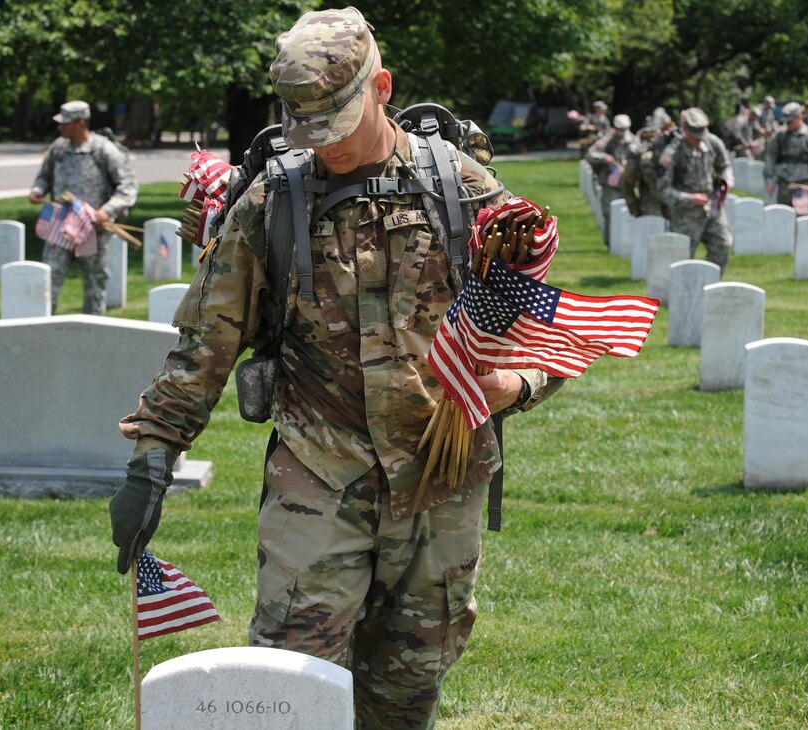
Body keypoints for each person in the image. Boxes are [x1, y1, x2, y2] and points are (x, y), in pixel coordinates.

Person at [108, 7, 563, 728]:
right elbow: (206, 339)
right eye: (306, 124)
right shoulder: (273, 199)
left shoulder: (468, 190)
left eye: (338, 121)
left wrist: (516, 384)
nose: (323, 142)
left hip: (439, 480)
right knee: (291, 680)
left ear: (381, 87)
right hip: (319, 476)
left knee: (406, 686)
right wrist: (153, 458)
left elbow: (543, 328)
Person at [29, 100, 138, 315]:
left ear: (80, 123)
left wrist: (107, 211)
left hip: (93, 231)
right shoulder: (58, 148)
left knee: (95, 285)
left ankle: (93, 333)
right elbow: (44, 176)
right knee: (49, 279)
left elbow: (128, 186)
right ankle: (42, 329)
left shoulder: (103, 150)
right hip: (60, 228)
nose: (59, 127)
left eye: (65, 123)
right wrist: (38, 189)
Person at [656, 107, 733, 272]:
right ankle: (682, 293)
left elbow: (724, 166)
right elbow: (662, 189)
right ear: (684, 128)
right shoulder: (672, 152)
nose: (698, 137)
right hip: (685, 213)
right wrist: (688, 198)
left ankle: (707, 285)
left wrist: (725, 182)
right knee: (682, 259)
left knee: (723, 245)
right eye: (694, 133)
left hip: (712, 207)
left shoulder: (712, 142)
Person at [764, 102, 808, 215]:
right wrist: (769, 179)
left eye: (790, 121)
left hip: (804, 182)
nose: (787, 124)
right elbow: (771, 157)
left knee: (803, 218)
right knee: (782, 217)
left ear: (799, 117)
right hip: (784, 182)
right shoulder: (780, 135)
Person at [585, 113, 636, 242]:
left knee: (630, 214)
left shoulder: (633, 140)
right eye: (619, 129)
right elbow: (590, 154)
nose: (622, 132)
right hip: (610, 183)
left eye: (624, 129)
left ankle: (626, 242)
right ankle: (610, 242)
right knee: (609, 213)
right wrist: (605, 158)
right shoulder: (607, 139)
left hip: (627, 183)